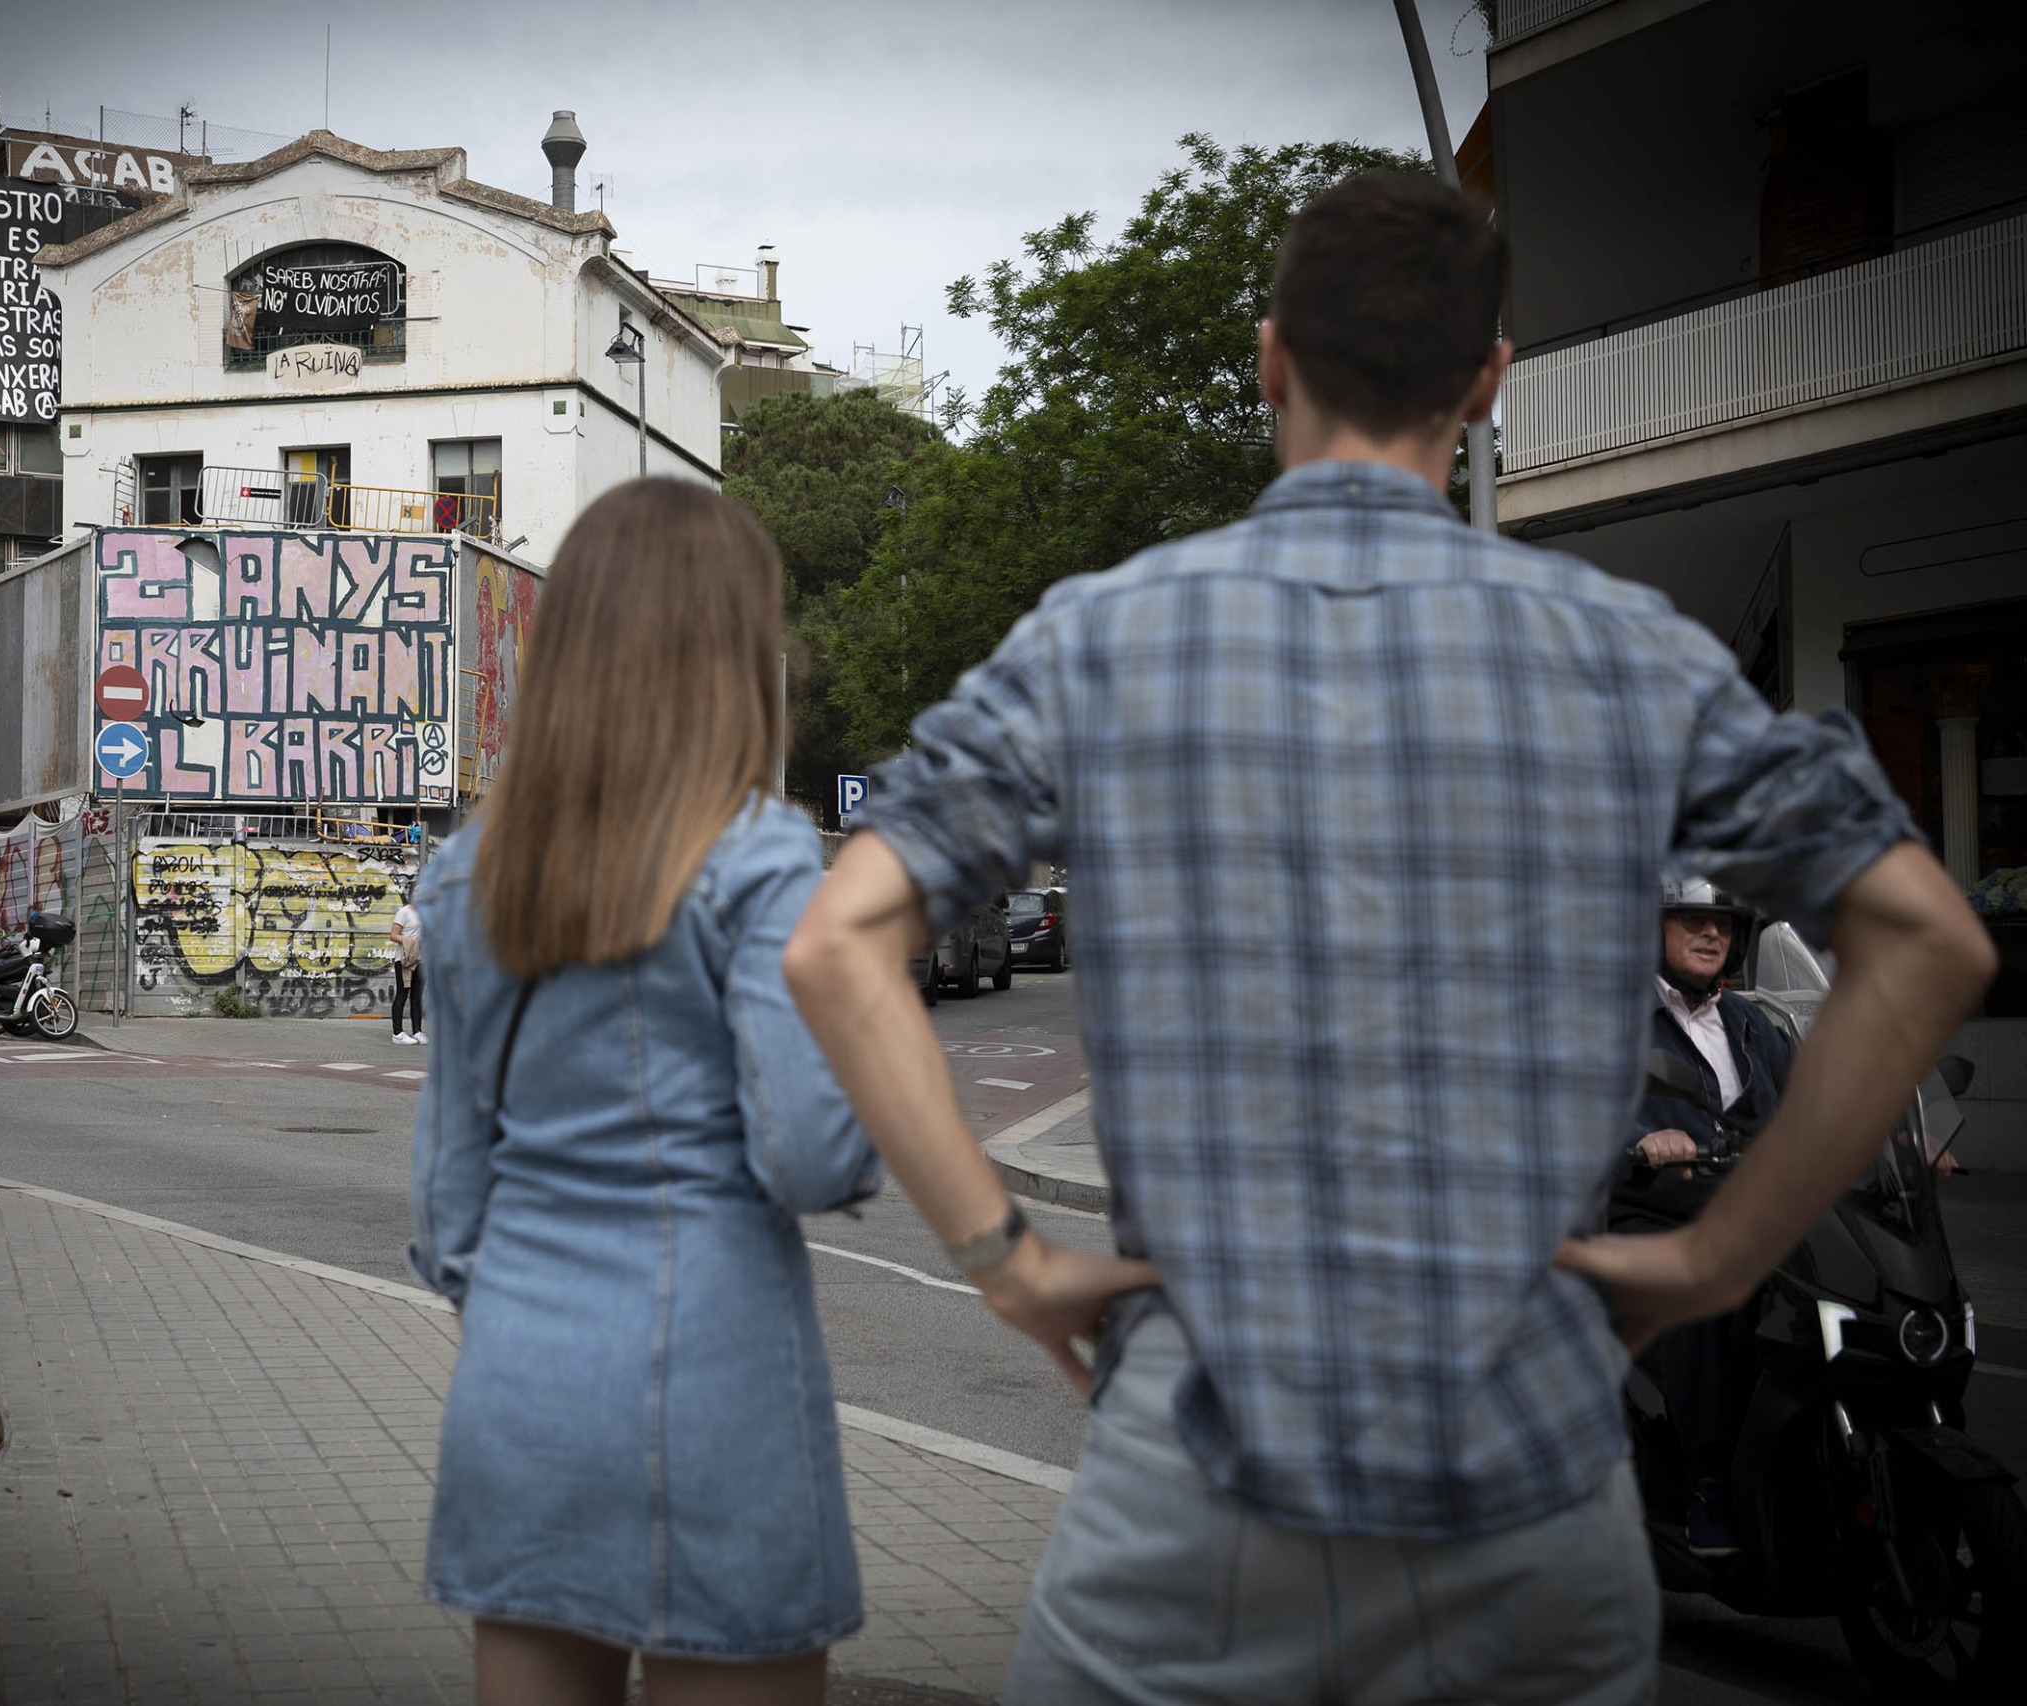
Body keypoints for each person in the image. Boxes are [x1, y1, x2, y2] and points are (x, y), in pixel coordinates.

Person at [782, 170, 1995, 1706]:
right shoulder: (1631, 656)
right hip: (1537, 1503)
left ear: (1273, 356)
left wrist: (1006, 1259)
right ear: (1490, 380)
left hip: (1200, 1498)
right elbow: (1926, 940)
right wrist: (1710, 1256)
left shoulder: (1100, 638)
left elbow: (838, 944)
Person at [408, 478, 878, 1706]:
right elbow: (808, 1155)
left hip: (519, 1387)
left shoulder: (464, 879)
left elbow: (445, 1214)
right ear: (734, 657)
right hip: (715, 1382)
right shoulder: (762, 857)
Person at [1609, 877, 1796, 1557]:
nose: (1710, 932)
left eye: (1721, 921)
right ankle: (1709, 1479)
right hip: (1655, 1216)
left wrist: (1899, 1134)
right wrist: (1638, 1138)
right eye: (1690, 919)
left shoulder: (1753, 1023)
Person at [390, 889, 425, 1045]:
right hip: (405, 959)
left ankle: (417, 1031)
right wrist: (409, 942)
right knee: (402, 994)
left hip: (423, 959)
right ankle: (397, 1033)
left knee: (417, 997)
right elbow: (393, 935)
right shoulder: (404, 912)